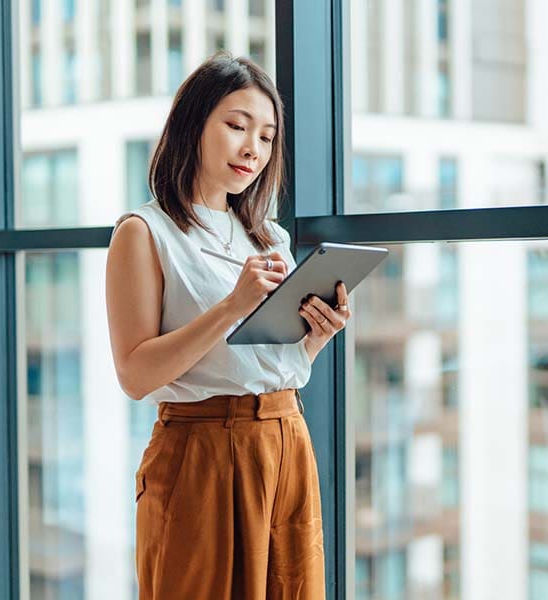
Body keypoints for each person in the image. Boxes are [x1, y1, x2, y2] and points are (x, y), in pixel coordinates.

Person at [105, 50, 351, 600]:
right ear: (193, 125)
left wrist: (313, 339)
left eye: (266, 136)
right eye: (237, 126)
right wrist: (232, 305)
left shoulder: (269, 236)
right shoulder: (143, 233)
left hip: (285, 439)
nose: (252, 149)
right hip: (201, 453)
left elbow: (260, 365)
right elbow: (135, 375)